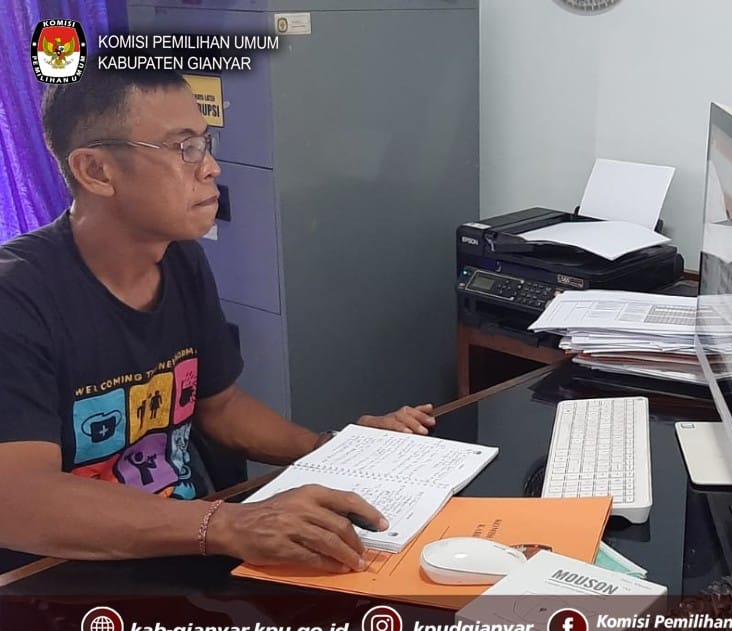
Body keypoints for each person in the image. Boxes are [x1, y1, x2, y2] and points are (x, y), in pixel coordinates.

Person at [0, 62, 436, 574]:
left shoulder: (179, 258)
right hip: (62, 575)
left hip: (185, 546)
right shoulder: (18, 297)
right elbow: (18, 500)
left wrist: (332, 449)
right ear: (96, 171)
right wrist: (228, 524)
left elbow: (221, 406)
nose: (210, 168)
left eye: (204, 144)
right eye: (183, 148)